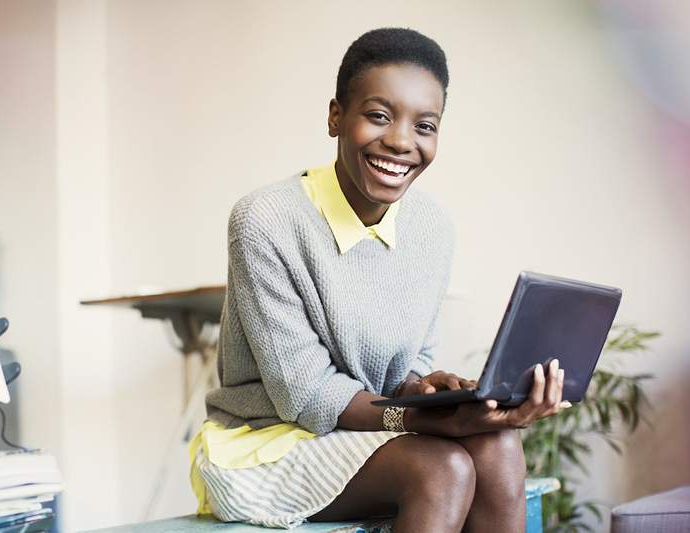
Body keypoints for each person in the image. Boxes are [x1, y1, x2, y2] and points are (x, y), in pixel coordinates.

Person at [189, 27, 568, 532]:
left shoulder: (433, 228)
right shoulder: (265, 220)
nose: (401, 141)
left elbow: (408, 366)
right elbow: (305, 396)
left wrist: (430, 389)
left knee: (498, 444)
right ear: (335, 116)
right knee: (442, 470)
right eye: (379, 116)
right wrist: (421, 419)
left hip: (369, 432)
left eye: (425, 125)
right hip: (264, 445)